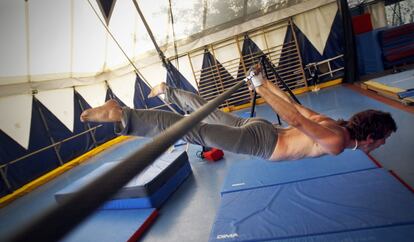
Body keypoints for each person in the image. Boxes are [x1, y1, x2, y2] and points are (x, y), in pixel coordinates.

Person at [80, 64, 397, 161]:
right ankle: (123, 115)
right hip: (262, 143)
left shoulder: (334, 126)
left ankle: (168, 92)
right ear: (370, 137)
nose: (381, 145)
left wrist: (265, 82)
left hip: (260, 129)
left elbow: (299, 109)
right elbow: (295, 118)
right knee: (194, 130)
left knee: (208, 114)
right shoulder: (338, 141)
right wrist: (260, 88)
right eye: (382, 140)